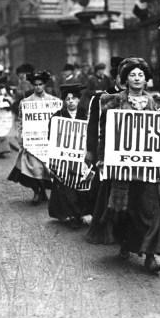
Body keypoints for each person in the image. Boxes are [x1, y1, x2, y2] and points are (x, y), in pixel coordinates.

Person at [96, 57, 160, 274]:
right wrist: (102, 157)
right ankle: (126, 242)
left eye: (141, 75)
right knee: (127, 210)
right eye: (132, 75)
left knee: (153, 209)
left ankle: (150, 255)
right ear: (125, 79)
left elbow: (159, 135)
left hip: (149, 168)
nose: (137, 78)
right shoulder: (115, 102)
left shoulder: (154, 103)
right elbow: (105, 133)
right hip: (124, 169)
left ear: (146, 80)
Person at [84, 56, 125, 244]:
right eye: (121, 76)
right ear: (115, 77)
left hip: (128, 156)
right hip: (106, 152)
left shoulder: (139, 98)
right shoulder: (101, 98)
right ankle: (106, 229)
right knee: (104, 190)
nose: (124, 81)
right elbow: (92, 125)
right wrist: (90, 150)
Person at [8, 70, 57, 205]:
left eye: (40, 84)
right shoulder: (26, 102)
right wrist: (21, 138)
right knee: (33, 168)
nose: (38, 87)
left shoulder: (53, 101)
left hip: (47, 142)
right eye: (35, 85)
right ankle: (37, 191)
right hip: (33, 143)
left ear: (44, 85)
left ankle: (43, 190)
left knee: (46, 169)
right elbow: (21, 121)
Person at [48, 84, 89, 228]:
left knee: (81, 186)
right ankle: (72, 214)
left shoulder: (86, 114)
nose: (71, 101)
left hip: (82, 157)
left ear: (78, 100)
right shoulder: (57, 116)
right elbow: (51, 136)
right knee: (66, 186)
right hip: (64, 159)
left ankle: (80, 213)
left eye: (73, 98)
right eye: (67, 99)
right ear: (64, 101)